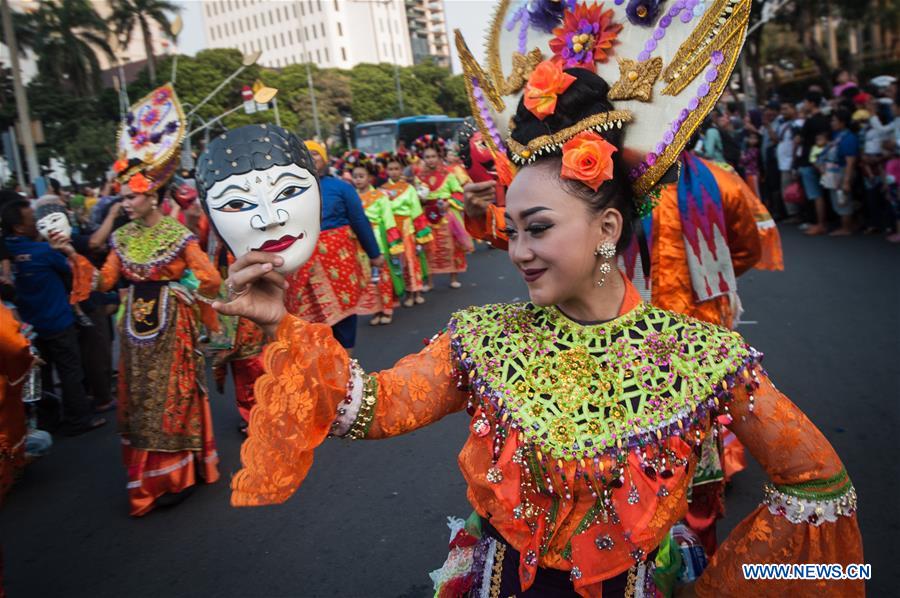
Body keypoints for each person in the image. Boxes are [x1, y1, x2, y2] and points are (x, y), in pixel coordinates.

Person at [215, 30, 860, 598]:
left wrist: (731, 584)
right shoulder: (482, 338)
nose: (518, 250)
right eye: (513, 228)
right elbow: (372, 408)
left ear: (607, 227)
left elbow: (819, 485)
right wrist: (280, 324)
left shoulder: (704, 356)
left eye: (539, 228)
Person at [1, 200, 106, 436]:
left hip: (27, 326)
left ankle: (47, 421)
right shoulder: (44, 252)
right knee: (70, 372)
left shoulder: (8, 254)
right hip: (57, 321)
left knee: (42, 375)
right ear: (19, 227)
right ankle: (78, 419)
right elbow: (72, 270)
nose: (38, 225)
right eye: (32, 220)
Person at [282, 140, 385, 354]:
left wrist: (374, 253)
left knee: (344, 316)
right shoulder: (285, 191)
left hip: (338, 261)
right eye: (304, 154)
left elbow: (359, 220)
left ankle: (346, 364)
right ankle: (322, 365)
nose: (310, 158)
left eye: (314, 153)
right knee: (308, 322)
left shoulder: (341, 188)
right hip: (302, 262)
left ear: (324, 158)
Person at [412, 135, 473, 290]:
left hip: (447, 215)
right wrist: (420, 199)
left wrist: (449, 202)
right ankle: (429, 282)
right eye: (427, 157)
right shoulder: (419, 177)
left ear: (439, 157)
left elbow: (458, 192)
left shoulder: (448, 174)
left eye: (433, 156)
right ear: (423, 158)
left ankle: (453, 277)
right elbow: (416, 198)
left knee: (451, 246)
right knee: (429, 248)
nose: (430, 160)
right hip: (427, 215)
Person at [349, 161, 404, 326]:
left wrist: (394, 244)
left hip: (377, 239)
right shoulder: (351, 197)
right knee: (367, 278)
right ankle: (375, 310)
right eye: (355, 177)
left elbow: (388, 220)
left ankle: (387, 309)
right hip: (357, 242)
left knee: (382, 276)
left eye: (361, 176)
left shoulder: (380, 196)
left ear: (370, 178)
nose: (358, 180)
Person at [380, 154, 433, 307]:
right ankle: (404, 293)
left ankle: (416, 292)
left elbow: (416, 210)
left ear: (402, 170)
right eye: (390, 169)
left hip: (406, 228)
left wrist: (420, 232)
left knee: (411, 259)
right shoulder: (382, 191)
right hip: (391, 229)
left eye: (397, 169)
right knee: (397, 262)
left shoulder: (409, 188)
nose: (394, 172)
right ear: (386, 171)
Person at [796, 91, 833, 235]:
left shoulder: (810, 121)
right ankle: (824, 222)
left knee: (815, 194)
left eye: (805, 102)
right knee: (824, 192)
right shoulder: (826, 119)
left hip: (809, 160)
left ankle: (820, 224)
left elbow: (799, 139)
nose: (804, 105)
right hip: (825, 159)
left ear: (811, 103)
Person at [820, 108, 859, 236]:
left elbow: (850, 161)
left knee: (843, 200)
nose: (832, 123)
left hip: (842, 172)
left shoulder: (848, 138)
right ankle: (846, 225)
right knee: (838, 199)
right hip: (834, 172)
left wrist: (846, 181)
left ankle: (846, 228)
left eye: (834, 120)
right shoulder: (838, 136)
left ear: (842, 122)